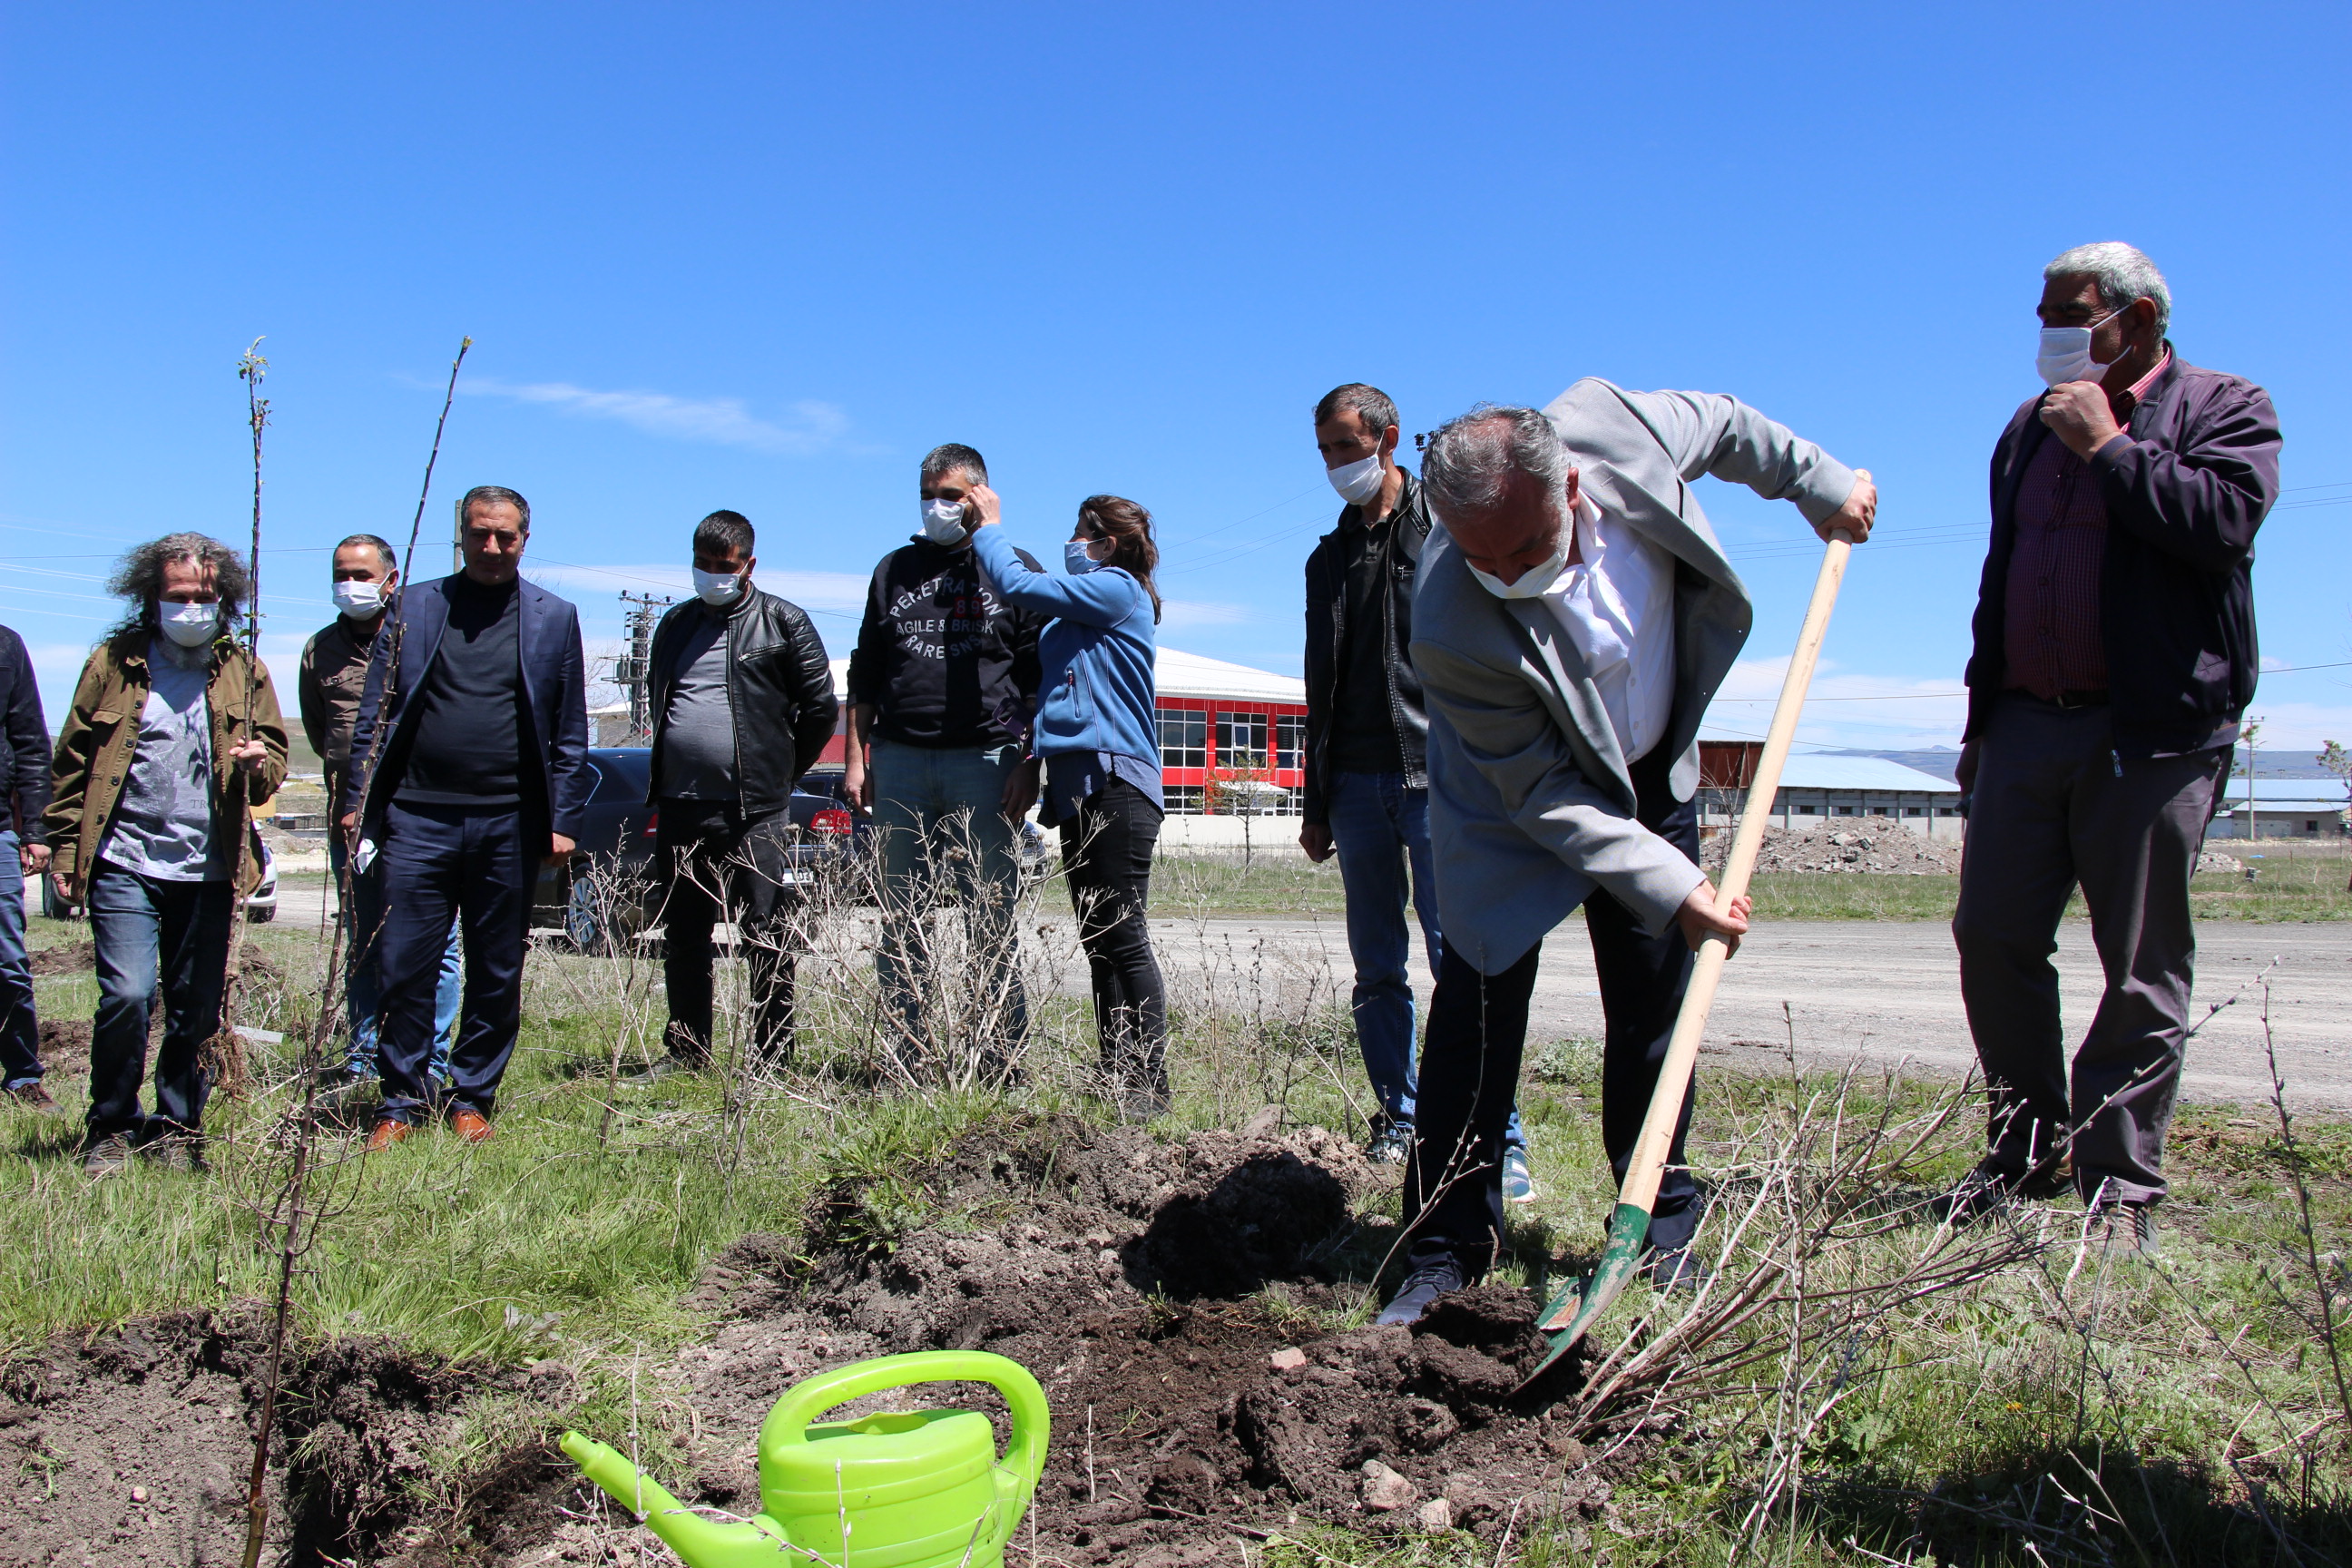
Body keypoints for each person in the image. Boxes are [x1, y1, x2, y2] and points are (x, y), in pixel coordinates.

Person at [1380, 393, 1876, 1324]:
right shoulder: (1449, 613)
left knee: (1655, 999)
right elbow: (1540, 796)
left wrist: (1820, 486)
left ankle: (1661, 1217)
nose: (1502, 574)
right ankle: (1445, 1246)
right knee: (1476, 1011)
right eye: (1479, 557)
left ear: (1570, 482)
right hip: (1511, 802)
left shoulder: (1613, 425)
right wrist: (1675, 884)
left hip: (1649, 765)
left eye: (1524, 551)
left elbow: (1729, 427)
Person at [1945, 243, 2281, 1257]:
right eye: (2042, 311)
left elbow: (2222, 524)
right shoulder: (2024, 429)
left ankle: (2119, 1180)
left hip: (2152, 731)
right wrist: (1981, 723)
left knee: (2138, 963)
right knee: (1992, 935)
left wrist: (2110, 448)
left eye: (2072, 313)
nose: (2050, 330)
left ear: (2135, 321)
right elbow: (2002, 579)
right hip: (2025, 723)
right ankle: (2024, 1146)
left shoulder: (2227, 405)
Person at [1301, 384, 1534, 1192]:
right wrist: (1315, 799)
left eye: (1345, 446)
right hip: (1358, 786)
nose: (1336, 463)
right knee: (1377, 969)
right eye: (1325, 450)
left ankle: (1496, 1138)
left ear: (1388, 437)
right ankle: (1400, 1119)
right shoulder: (1326, 558)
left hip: (1443, 777)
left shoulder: (1443, 528)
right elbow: (1317, 683)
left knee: (1462, 958)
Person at [347, 485, 590, 1149]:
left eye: (504, 536)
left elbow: (570, 732)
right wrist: (356, 804)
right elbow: (374, 713)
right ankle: (399, 1102)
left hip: (508, 825)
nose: (490, 546)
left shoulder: (553, 616)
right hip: (416, 820)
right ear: (460, 534)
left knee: (495, 967)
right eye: (479, 533)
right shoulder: (415, 607)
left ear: (524, 540)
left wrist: (561, 820)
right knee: (404, 964)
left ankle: (471, 1097)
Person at [45, 534, 288, 1173]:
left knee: (195, 1010)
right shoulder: (114, 663)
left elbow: (272, 768)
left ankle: (179, 1126)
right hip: (125, 862)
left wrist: (258, 765)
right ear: (150, 599)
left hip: (209, 870)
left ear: (223, 599)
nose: (191, 607)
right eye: (177, 596)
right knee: (126, 995)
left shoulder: (245, 668)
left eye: (203, 596)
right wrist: (66, 853)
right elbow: (72, 763)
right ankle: (111, 1125)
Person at [842, 445, 1047, 1082]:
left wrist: (1029, 762)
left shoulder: (1013, 568)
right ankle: (910, 1059)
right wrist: (858, 758)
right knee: (903, 919)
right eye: (929, 494)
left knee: (990, 918)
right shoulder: (894, 569)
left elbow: (1039, 676)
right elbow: (865, 672)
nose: (939, 506)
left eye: (952, 495)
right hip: (901, 759)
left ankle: (997, 1061)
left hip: (986, 760)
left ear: (981, 495)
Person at [966, 487, 1171, 1118]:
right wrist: (1032, 760)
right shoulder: (1081, 615)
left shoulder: (1117, 589)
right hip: (1079, 786)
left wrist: (991, 527)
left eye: (1082, 533)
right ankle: (1119, 1076)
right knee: (1100, 937)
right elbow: (1054, 697)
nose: (1073, 544)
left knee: (1124, 936)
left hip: (1118, 784)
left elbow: (1017, 585)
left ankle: (1148, 1090)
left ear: (1108, 543)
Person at [637, 509, 838, 1075]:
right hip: (681, 805)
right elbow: (662, 702)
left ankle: (774, 1056)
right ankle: (687, 1052)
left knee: (767, 934)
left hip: (756, 810)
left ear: (749, 564)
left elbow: (821, 709)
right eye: (702, 564)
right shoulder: (674, 625)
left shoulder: (784, 621)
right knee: (685, 935)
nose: (711, 575)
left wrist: (780, 776)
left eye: (724, 566)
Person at [298, 534, 459, 1092]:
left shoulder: (424, 636)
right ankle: (364, 1057)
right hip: (350, 815)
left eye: (363, 575)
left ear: (391, 577)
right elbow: (324, 736)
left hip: (419, 812)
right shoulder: (320, 649)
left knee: (438, 944)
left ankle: (430, 1064)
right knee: (364, 934)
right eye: (342, 573)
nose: (352, 585)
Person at [0, 622, 54, 1112]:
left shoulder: (6, 645)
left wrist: (35, 830)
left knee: (7, 961)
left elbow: (31, 742)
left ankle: (22, 1076)